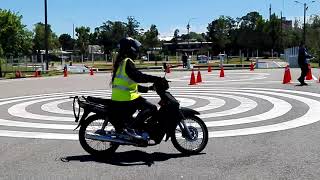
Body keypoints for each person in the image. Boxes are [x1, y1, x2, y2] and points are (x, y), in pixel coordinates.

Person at [110, 37, 163, 141]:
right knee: (151, 108)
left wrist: (148, 88)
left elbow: (130, 83)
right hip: (126, 98)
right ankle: (131, 128)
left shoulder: (120, 63)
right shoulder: (127, 62)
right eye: (135, 48)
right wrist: (157, 79)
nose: (137, 51)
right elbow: (138, 77)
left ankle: (135, 127)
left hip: (120, 97)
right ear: (130, 49)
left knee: (145, 107)